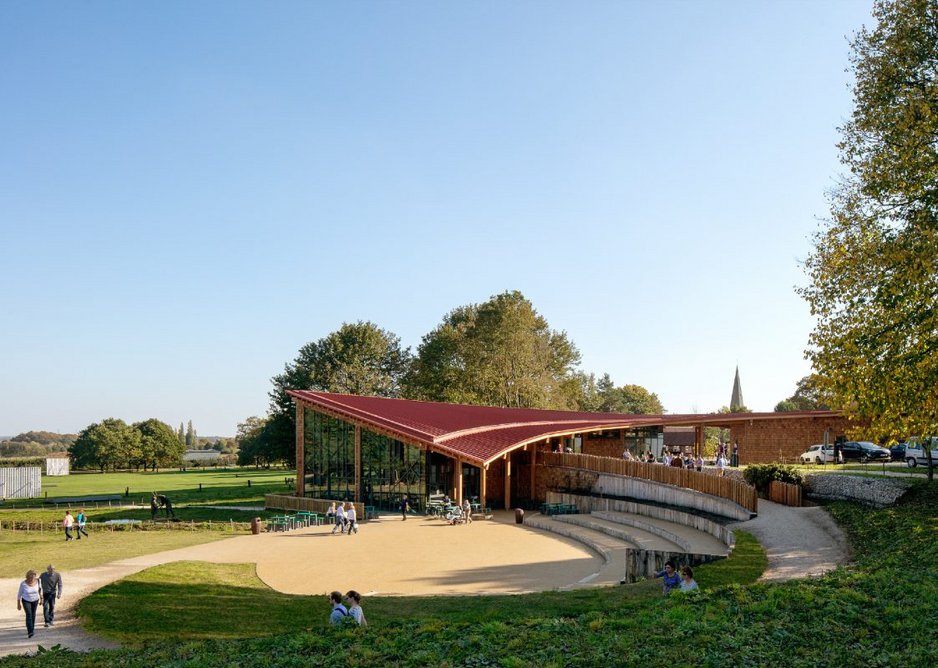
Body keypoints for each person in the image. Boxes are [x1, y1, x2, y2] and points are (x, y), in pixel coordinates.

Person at [16, 569, 41, 638]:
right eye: (31, 576)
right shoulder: (23, 583)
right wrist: (18, 603)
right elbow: (19, 594)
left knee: (33, 615)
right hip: (26, 600)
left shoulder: (38, 581)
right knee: (29, 614)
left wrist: (41, 599)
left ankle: (32, 628)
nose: (32, 577)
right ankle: (30, 631)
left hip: (35, 600)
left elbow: (39, 590)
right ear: (27, 576)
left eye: (34, 575)